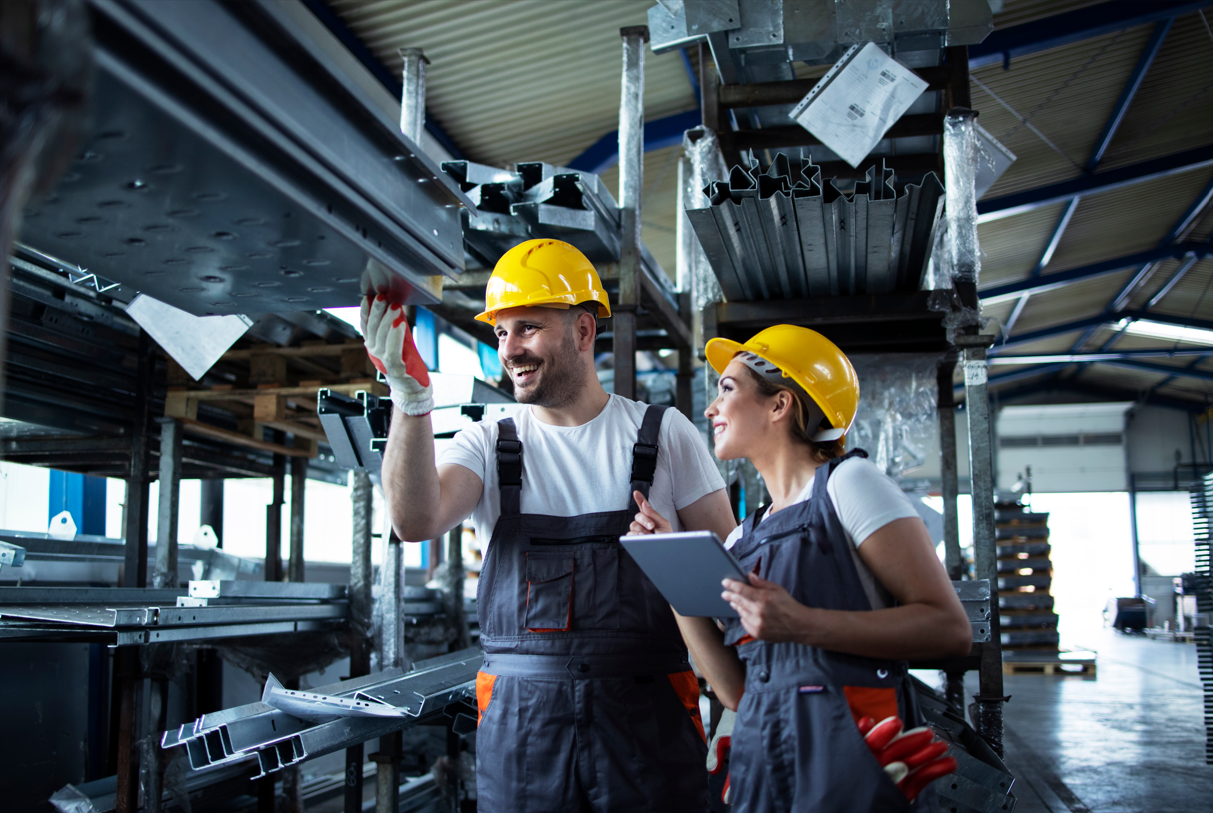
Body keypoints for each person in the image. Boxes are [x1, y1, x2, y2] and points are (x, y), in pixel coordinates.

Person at [362, 238, 736, 813]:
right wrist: (411, 400)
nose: (509, 349)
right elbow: (413, 522)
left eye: (528, 327)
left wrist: (738, 700)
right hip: (524, 731)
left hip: (648, 722)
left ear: (584, 331)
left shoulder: (666, 435)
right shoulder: (488, 444)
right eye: (501, 333)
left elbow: (727, 586)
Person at [628, 325, 972, 813]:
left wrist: (803, 624)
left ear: (779, 404)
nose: (711, 409)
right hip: (765, 763)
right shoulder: (741, 538)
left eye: (727, 389)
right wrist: (670, 573)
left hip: (854, 761)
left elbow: (949, 628)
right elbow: (733, 690)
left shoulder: (850, 486)